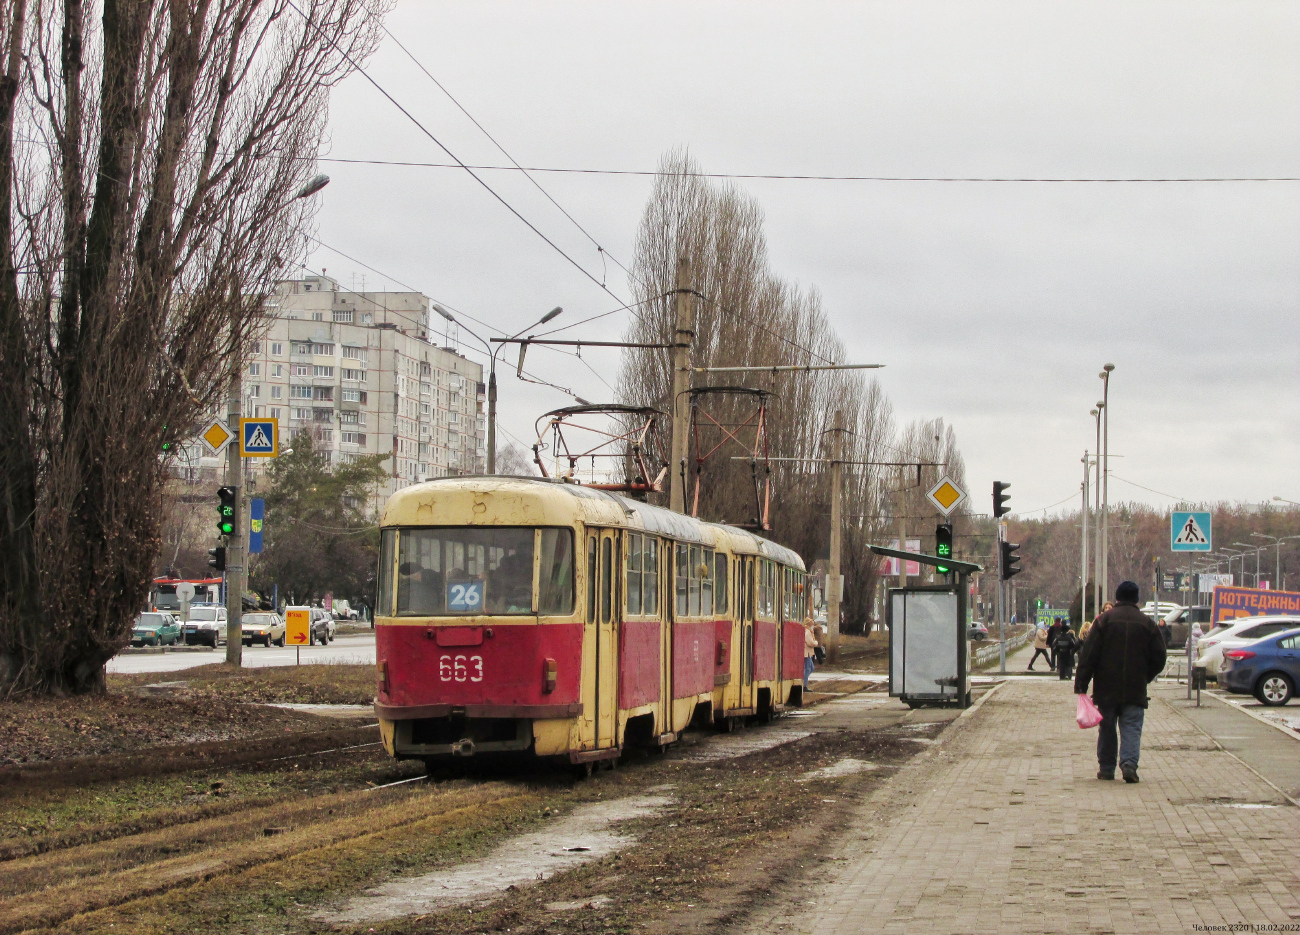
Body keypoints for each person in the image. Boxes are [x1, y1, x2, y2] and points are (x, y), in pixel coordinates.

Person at [1074, 581, 1166, 783]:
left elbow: (1088, 655)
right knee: (1132, 726)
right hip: (1135, 687)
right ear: (1136, 599)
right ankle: (1129, 766)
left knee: (1107, 727)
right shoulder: (1147, 624)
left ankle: (1107, 769)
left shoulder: (1103, 621)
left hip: (1106, 687)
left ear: (1116, 598)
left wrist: (1081, 684)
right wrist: (1145, 676)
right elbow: (1160, 657)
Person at [802, 616, 817, 690]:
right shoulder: (807, 632)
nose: (813, 623)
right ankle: (804, 685)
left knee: (811, 668)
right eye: (811, 622)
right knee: (808, 668)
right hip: (806, 652)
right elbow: (810, 642)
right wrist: (815, 643)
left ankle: (804, 682)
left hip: (808, 652)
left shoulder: (809, 631)